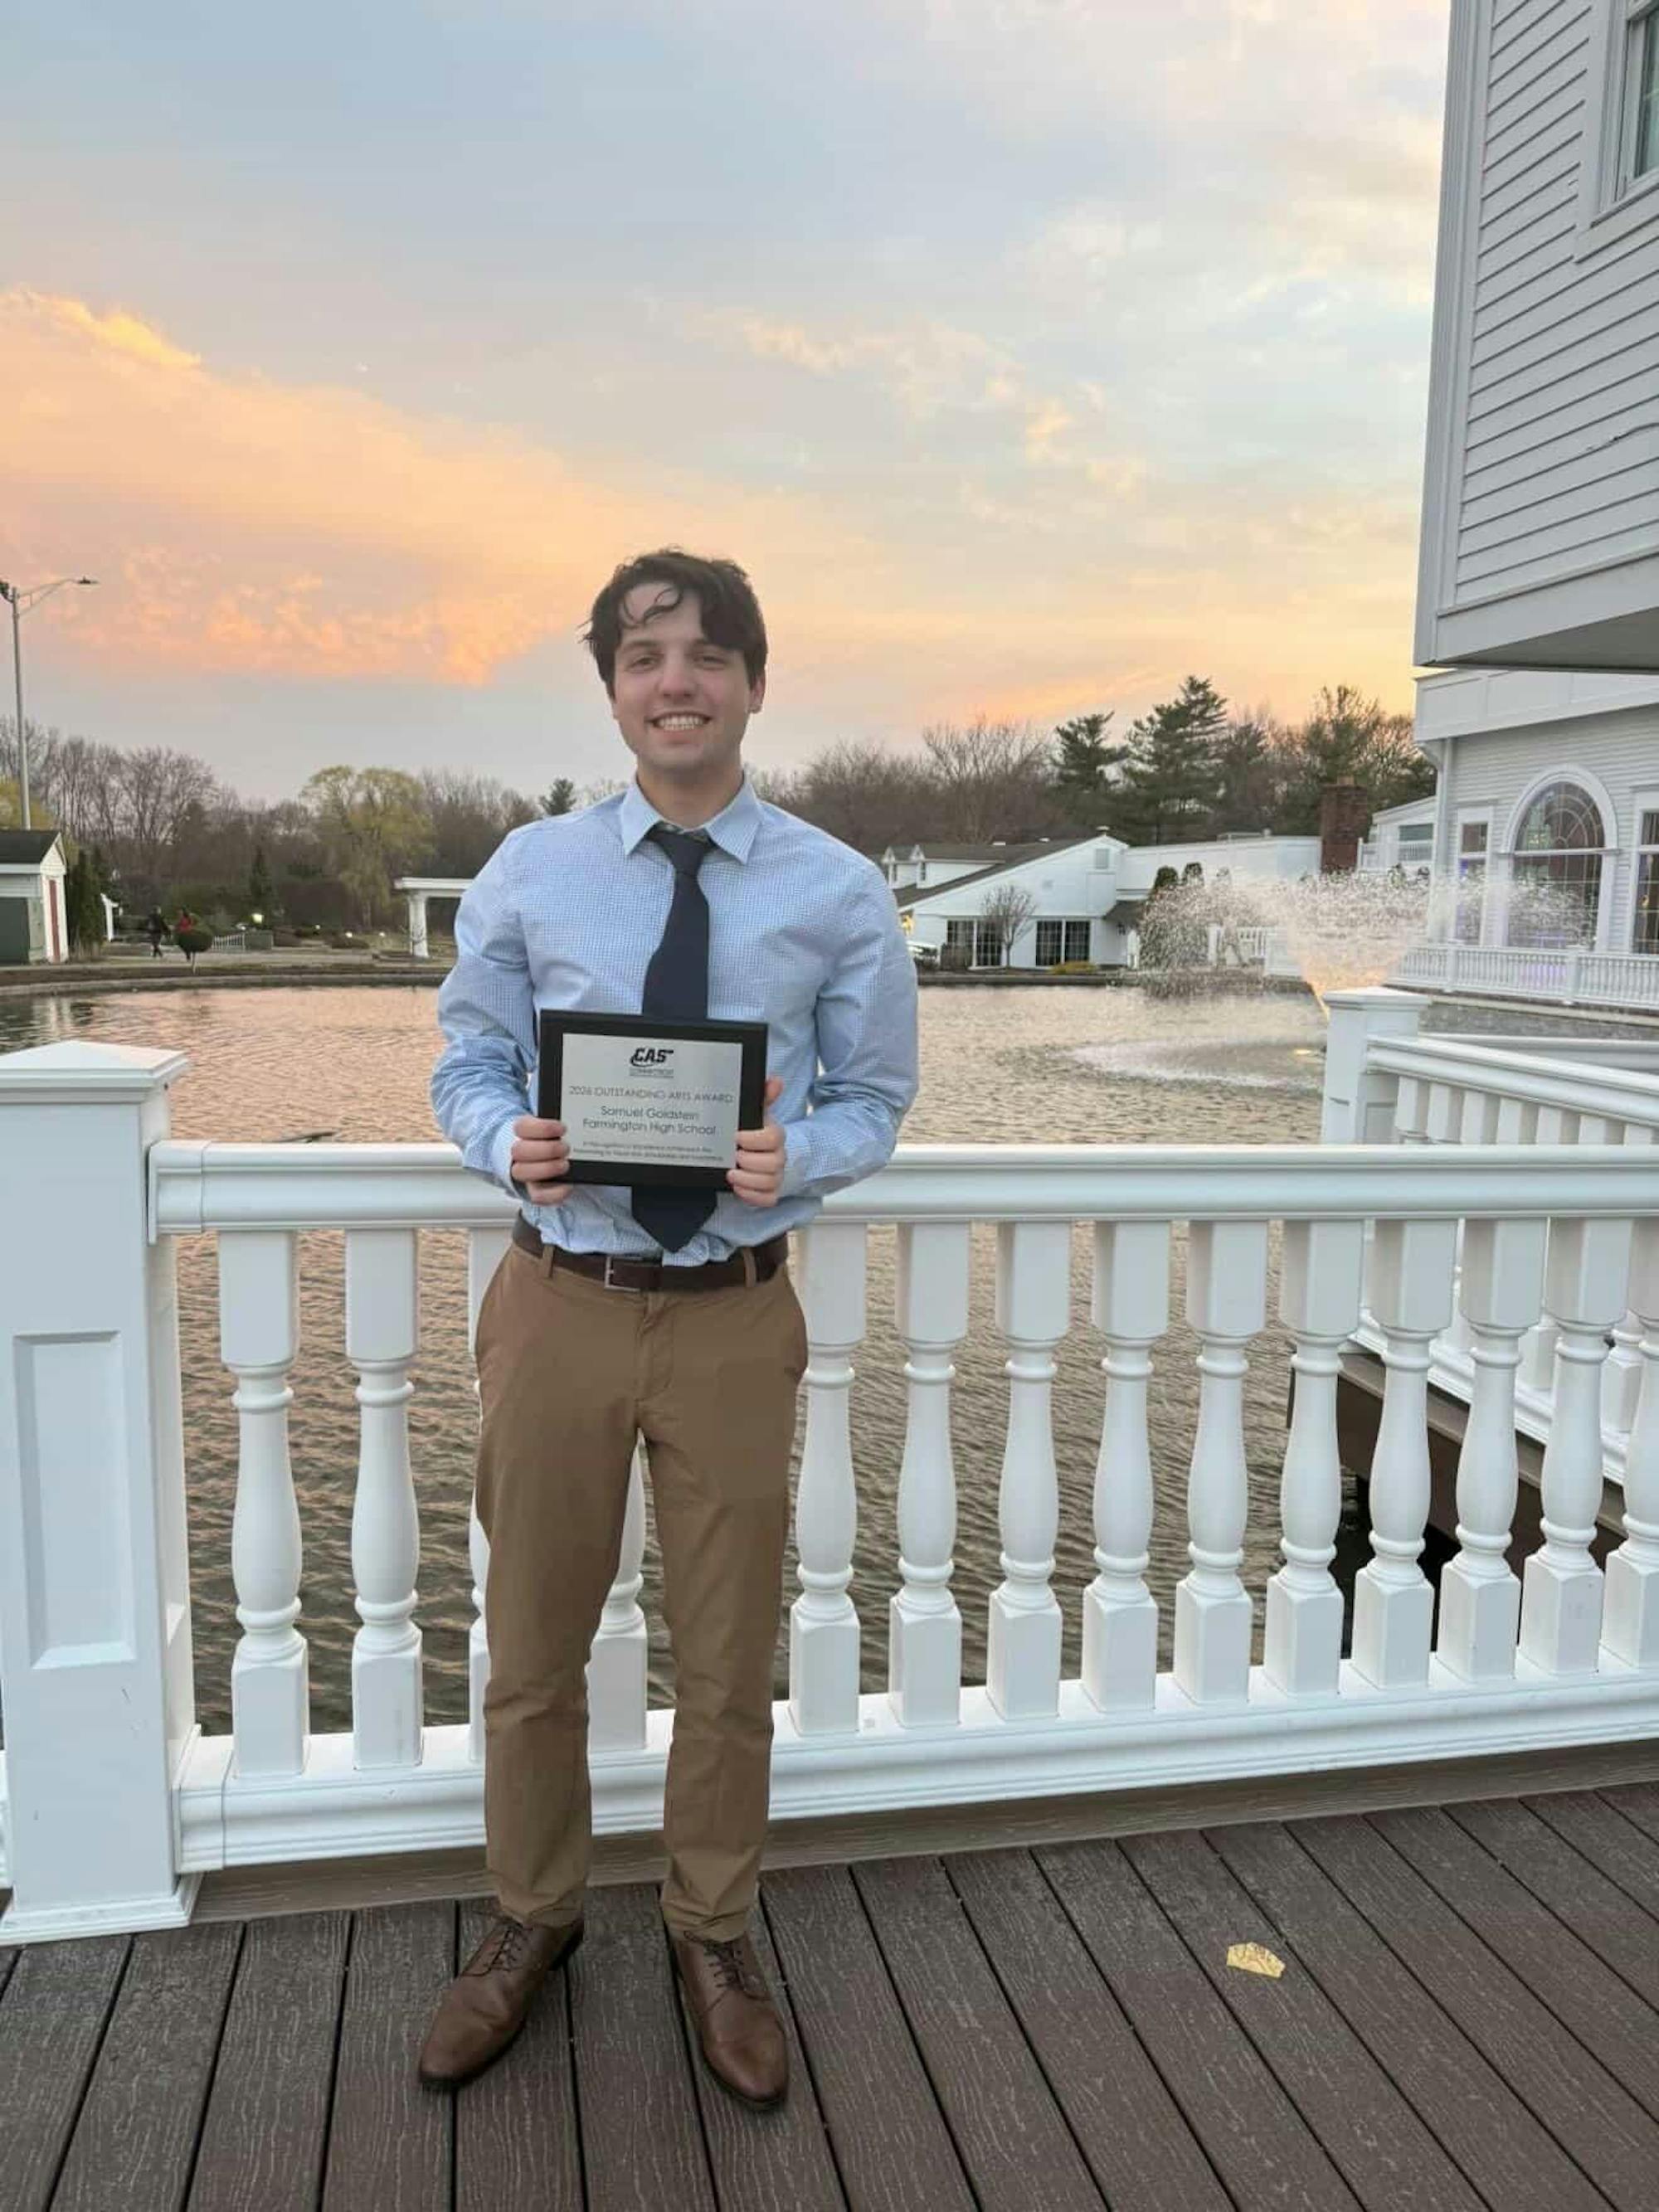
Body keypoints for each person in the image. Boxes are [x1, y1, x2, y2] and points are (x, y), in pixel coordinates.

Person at [419, 549, 919, 2109]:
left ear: (755, 683)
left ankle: (711, 1929)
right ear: (614, 691)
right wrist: (512, 1142)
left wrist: (803, 1157)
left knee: (722, 1654)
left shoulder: (837, 890)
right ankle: (530, 1919)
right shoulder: (529, 870)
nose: (677, 681)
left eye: (708, 655)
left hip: (731, 1316)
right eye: (645, 657)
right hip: (559, 1302)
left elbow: (876, 1096)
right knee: (533, 1648)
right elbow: (464, 1063)